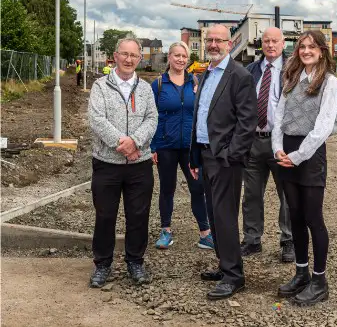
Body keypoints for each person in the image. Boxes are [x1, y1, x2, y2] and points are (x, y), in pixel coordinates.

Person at [272, 30, 337, 306]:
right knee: (296, 217)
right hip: (286, 152)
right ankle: (301, 273)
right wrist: (278, 147)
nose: (306, 51)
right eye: (302, 46)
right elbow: (279, 116)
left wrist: (298, 155)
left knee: (313, 218)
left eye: (312, 46)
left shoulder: (330, 83)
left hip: (309, 155)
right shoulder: (291, 78)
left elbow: (323, 126)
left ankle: (319, 280)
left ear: (322, 50)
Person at [190, 24, 257, 301]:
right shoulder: (207, 72)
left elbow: (247, 122)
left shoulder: (239, 76)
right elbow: (200, 116)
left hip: (225, 160)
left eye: (220, 40)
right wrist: (195, 156)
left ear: (230, 44)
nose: (214, 44)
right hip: (206, 155)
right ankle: (224, 264)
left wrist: (231, 156)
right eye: (211, 39)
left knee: (226, 216)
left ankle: (234, 276)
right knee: (215, 214)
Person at [88, 37, 158, 288]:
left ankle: (135, 262)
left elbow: (152, 119)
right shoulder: (100, 86)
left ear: (140, 59)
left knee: (138, 215)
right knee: (105, 215)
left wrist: (135, 143)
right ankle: (103, 264)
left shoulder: (146, 88)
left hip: (140, 165)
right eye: (124, 54)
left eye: (134, 56)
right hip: (107, 164)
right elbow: (97, 120)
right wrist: (124, 144)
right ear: (115, 56)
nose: (129, 60)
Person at [151, 41, 213, 250]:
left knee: (197, 188)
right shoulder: (159, 84)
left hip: (190, 147)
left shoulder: (195, 82)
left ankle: (205, 233)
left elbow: (202, 114)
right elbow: (152, 117)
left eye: (184, 56)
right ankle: (166, 231)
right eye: (176, 55)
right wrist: (153, 147)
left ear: (188, 60)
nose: (180, 59)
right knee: (167, 188)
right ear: (169, 57)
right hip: (165, 146)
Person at [241, 27, 294, 262]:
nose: (271, 45)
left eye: (275, 41)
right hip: (253, 141)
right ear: (261, 43)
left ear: (283, 43)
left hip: (281, 142)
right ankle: (252, 240)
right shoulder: (251, 70)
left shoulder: (294, 70)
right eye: (267, 41)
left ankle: (289, 241)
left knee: (287, 195)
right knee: (251, 194)